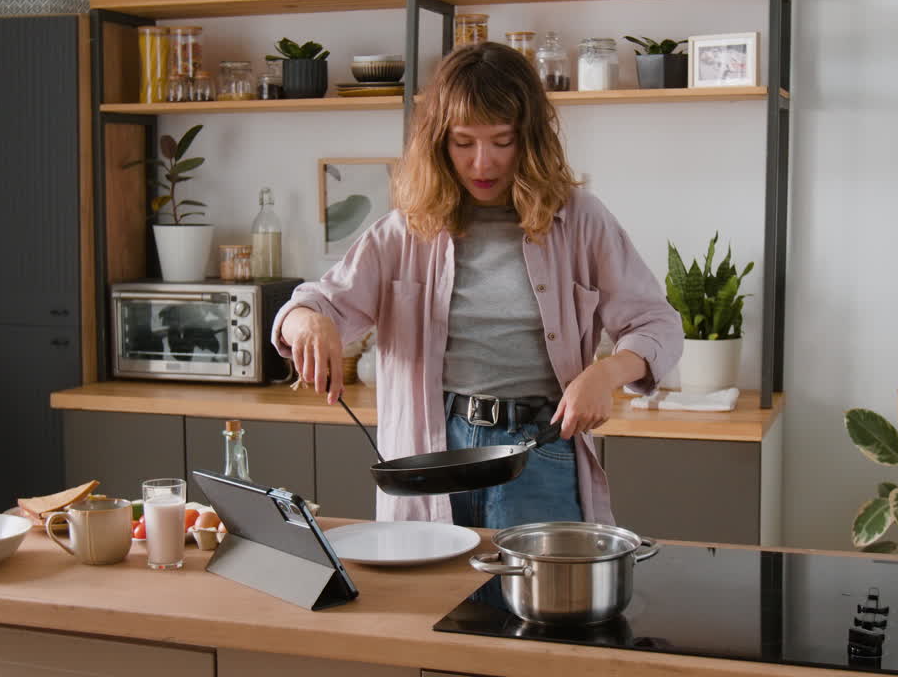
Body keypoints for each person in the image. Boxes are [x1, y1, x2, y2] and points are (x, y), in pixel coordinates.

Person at [272, 42, 681, 529]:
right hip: (431, 455)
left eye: (502, 141)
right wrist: (309, 323)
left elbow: (658, 324)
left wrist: (605, 375)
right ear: (439, 142)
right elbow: (312, 305)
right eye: (463, 143)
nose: (482, 163)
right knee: (433, 604)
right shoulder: (404, 231)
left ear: (529, 139)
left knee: (534, 605)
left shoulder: (580, 220)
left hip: (539, 452)